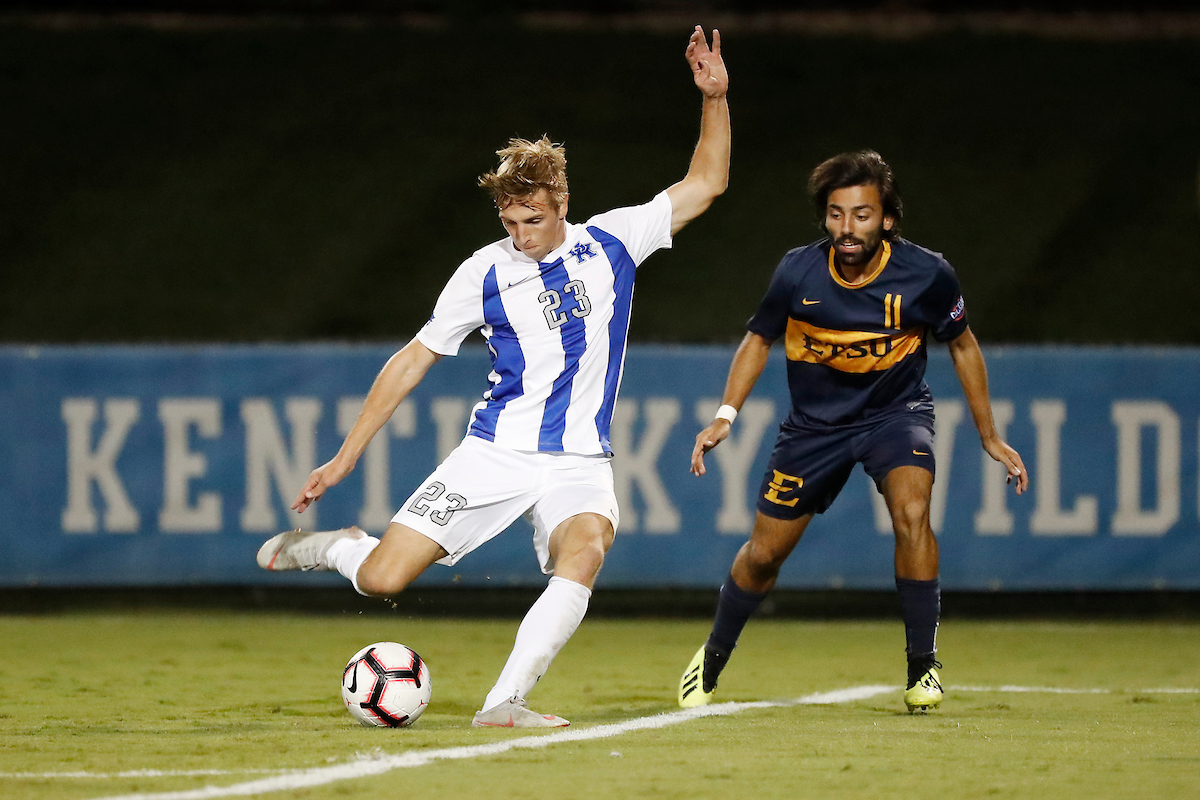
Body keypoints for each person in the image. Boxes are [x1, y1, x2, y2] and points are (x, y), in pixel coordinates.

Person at [257, 26, 730, 728]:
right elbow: (412, 358)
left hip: (579, 460)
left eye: (532, 219)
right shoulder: (483, 273)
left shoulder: (612, 241)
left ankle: (504, 703)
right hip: (496, 451)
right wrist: (345, 456)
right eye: (510, 222)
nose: (521, 234)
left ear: (562, 202)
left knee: (586, 549)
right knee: (384, 578)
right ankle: (339, 547)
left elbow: (707, 182)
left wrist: (714, 98)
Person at [677, 150, 1027, 714]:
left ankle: (923, 667)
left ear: (886, 219)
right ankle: (712, 657)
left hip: (895, 415)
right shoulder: (798, 271)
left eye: (861, 215)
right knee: (764, 555)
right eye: (836, 214)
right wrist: (725, 415)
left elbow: (962, 345)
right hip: (813, 427)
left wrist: (989, 434)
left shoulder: (927, 274)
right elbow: (759, 338)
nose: (847, 227)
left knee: (912, 512)